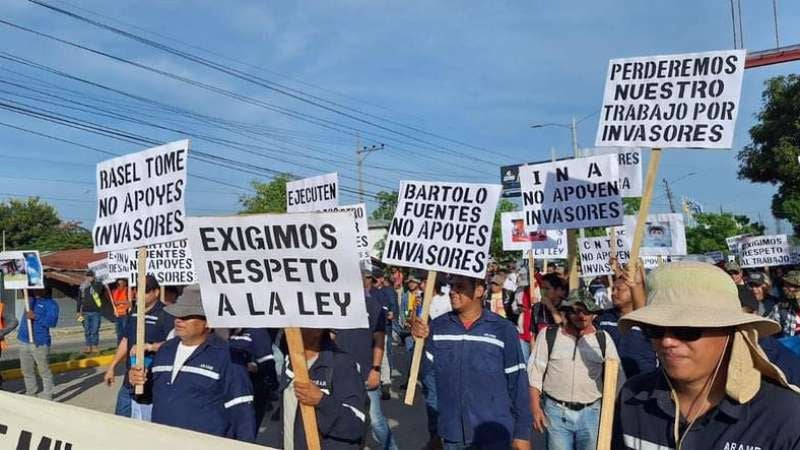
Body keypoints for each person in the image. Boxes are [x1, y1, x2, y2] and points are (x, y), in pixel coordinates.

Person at [612, 262, 800, 449]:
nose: (667, 341)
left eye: (686, 330)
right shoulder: (632, 397)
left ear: (730, 332)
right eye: (655, 329)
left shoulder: (786, 417)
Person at [412, 275, 531, 450]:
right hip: (453, 434)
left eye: (460, 287)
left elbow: (518, 381)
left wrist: (522, 433)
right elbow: (427, 379)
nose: (453, 291)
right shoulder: (437, 327)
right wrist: (419, 342)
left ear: (479, 291)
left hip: (494, 433)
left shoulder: (503, 329)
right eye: (452, 286)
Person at [128, 285, 256, 441]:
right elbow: (147, 397)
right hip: (164, 442)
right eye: (177, 314)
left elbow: (243, 415)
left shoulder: (228, 357)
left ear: (208, 322)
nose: (179, 320)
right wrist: (138, 382)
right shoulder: (165, 350)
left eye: (187, 315)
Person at [529, 289, 620, 450]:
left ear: (593, 314)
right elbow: (534, 375)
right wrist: (535, 409)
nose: (582, 316)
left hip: (592, 414)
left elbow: (616, 380)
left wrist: (611, 418)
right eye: (576, 311)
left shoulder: (603, 339)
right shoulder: (549, 335)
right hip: (556, 414)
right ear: (566, 312)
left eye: (587, 311)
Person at [333, 270, 398, 450]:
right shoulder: (333, 306)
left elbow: (379, 340)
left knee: (376, 421)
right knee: (346, 419)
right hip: (339, 374)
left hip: (366, 372)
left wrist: (376, 370)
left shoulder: (373, 307)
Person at [282, 328, 367, 450]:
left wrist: (321, 401)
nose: (289, 328)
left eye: (299, 324)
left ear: (318, 330)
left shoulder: (342, 364)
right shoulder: (288, 362)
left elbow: (356, 425)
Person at [104, 275, 173, 419]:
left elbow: (174, 344)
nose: (139, 293)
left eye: (145, 290)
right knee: (120, 420)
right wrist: (112, 367)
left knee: (144, 425)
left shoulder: (166, 314)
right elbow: (126, 340)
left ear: (156, 292)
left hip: (150, 382)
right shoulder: (135, 312)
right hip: (129, 380)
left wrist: (149, 346)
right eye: (137, 289)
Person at [597, 265, 657, 379]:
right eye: (613, 289)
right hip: (612, 382)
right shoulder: (604, 318)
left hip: (643, 384)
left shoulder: (646, 318)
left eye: (619, 290)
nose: (613, 293)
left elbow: (643, 315)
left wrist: (636, 285)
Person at [226, 327, 278, 435]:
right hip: (229, 388)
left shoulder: (257, 332)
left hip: (253, 388)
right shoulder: (226, 331)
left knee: (245, 430)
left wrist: (251, 367)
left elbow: (267, 363)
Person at [17, 287, 59, 400]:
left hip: (40, 342)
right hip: (24, 340)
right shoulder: (29, 300)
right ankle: (31, 393)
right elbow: (22, 288)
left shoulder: (51, 304)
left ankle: (48, 395)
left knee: (44, 370)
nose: (36, 289)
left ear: (45, 289)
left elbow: (52, 322)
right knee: (26, 370)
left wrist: (35, 316)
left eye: (38, 287)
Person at [78, 270, 106, 354]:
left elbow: (99, 291)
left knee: (94, 330)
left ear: (93, 277)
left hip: (95, 312)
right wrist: (77, 311)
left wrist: (93, 283)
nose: (88, 278)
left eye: (90, 276)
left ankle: (94, 346)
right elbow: (79, 299)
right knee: (87, 330)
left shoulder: (97, 285)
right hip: (85, 312)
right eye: (87, 276)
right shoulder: (82, 287)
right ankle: (88, 346)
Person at [768, 270, 800, 338]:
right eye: (785, 285)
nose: (785, 288)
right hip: (791, 346)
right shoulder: (780, 308)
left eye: (794, 286)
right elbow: (769, 329)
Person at [110, 278, 130, 345]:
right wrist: (122, 302)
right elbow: (114, 302)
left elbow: (129, 303)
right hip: (117, 314)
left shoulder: (128, 290)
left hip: (125, 314)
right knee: (119, 333)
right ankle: (119, 346)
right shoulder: (115, 291)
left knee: (125, 332)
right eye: (118, 284)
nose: (119, 285)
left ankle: (126, 346)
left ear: (124, 283)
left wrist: (120, 302)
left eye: (120, 283)